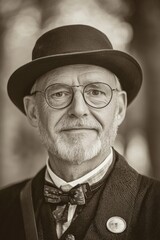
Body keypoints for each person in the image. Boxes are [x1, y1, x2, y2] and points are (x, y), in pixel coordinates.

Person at [0, 24, 160, 240]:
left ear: (119, 108)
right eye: (58, 94)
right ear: (33, 112)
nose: (78, 110)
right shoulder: (5, 207)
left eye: (96, 91)